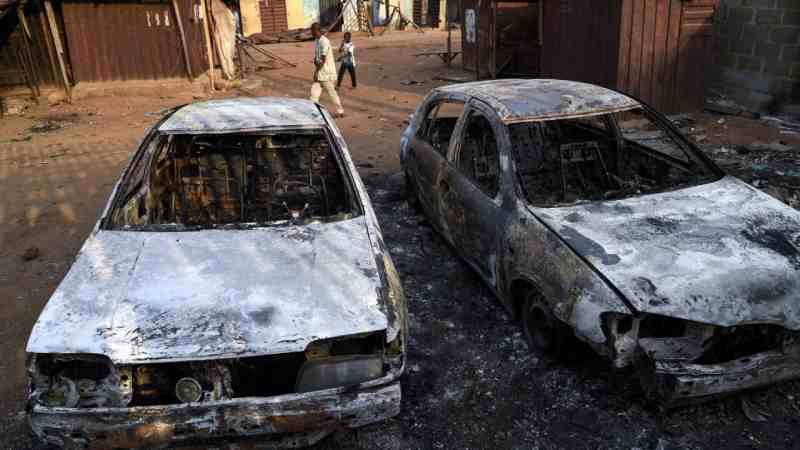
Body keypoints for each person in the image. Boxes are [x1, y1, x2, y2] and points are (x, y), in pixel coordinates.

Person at [309, 23, 344, 117]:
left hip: (325, 72)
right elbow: (318, 56)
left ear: (316, 30)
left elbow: (323, 59)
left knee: (331, 93)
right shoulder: (317, 40)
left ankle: (340, 111)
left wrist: (316, 72)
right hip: (320, 71)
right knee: (314, 94)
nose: (311, 32)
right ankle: (314, 112)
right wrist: (315, 63)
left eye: (312, 30)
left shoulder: (324, 41)